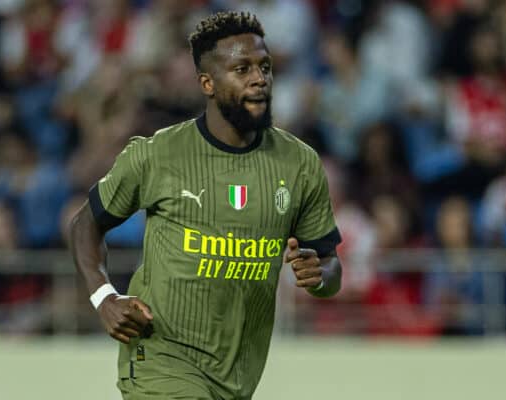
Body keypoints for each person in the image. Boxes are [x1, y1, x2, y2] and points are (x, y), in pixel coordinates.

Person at [69, 11, 342, 400]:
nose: (259, 78)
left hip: (238, 375)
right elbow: (85, 223)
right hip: (161, 359)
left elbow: (331, 269)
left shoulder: (300, 164)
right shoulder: (158, 154)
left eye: (265, 66)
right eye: (242, 68)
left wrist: (320, 274)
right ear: (208, 83)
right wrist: (104, 296)